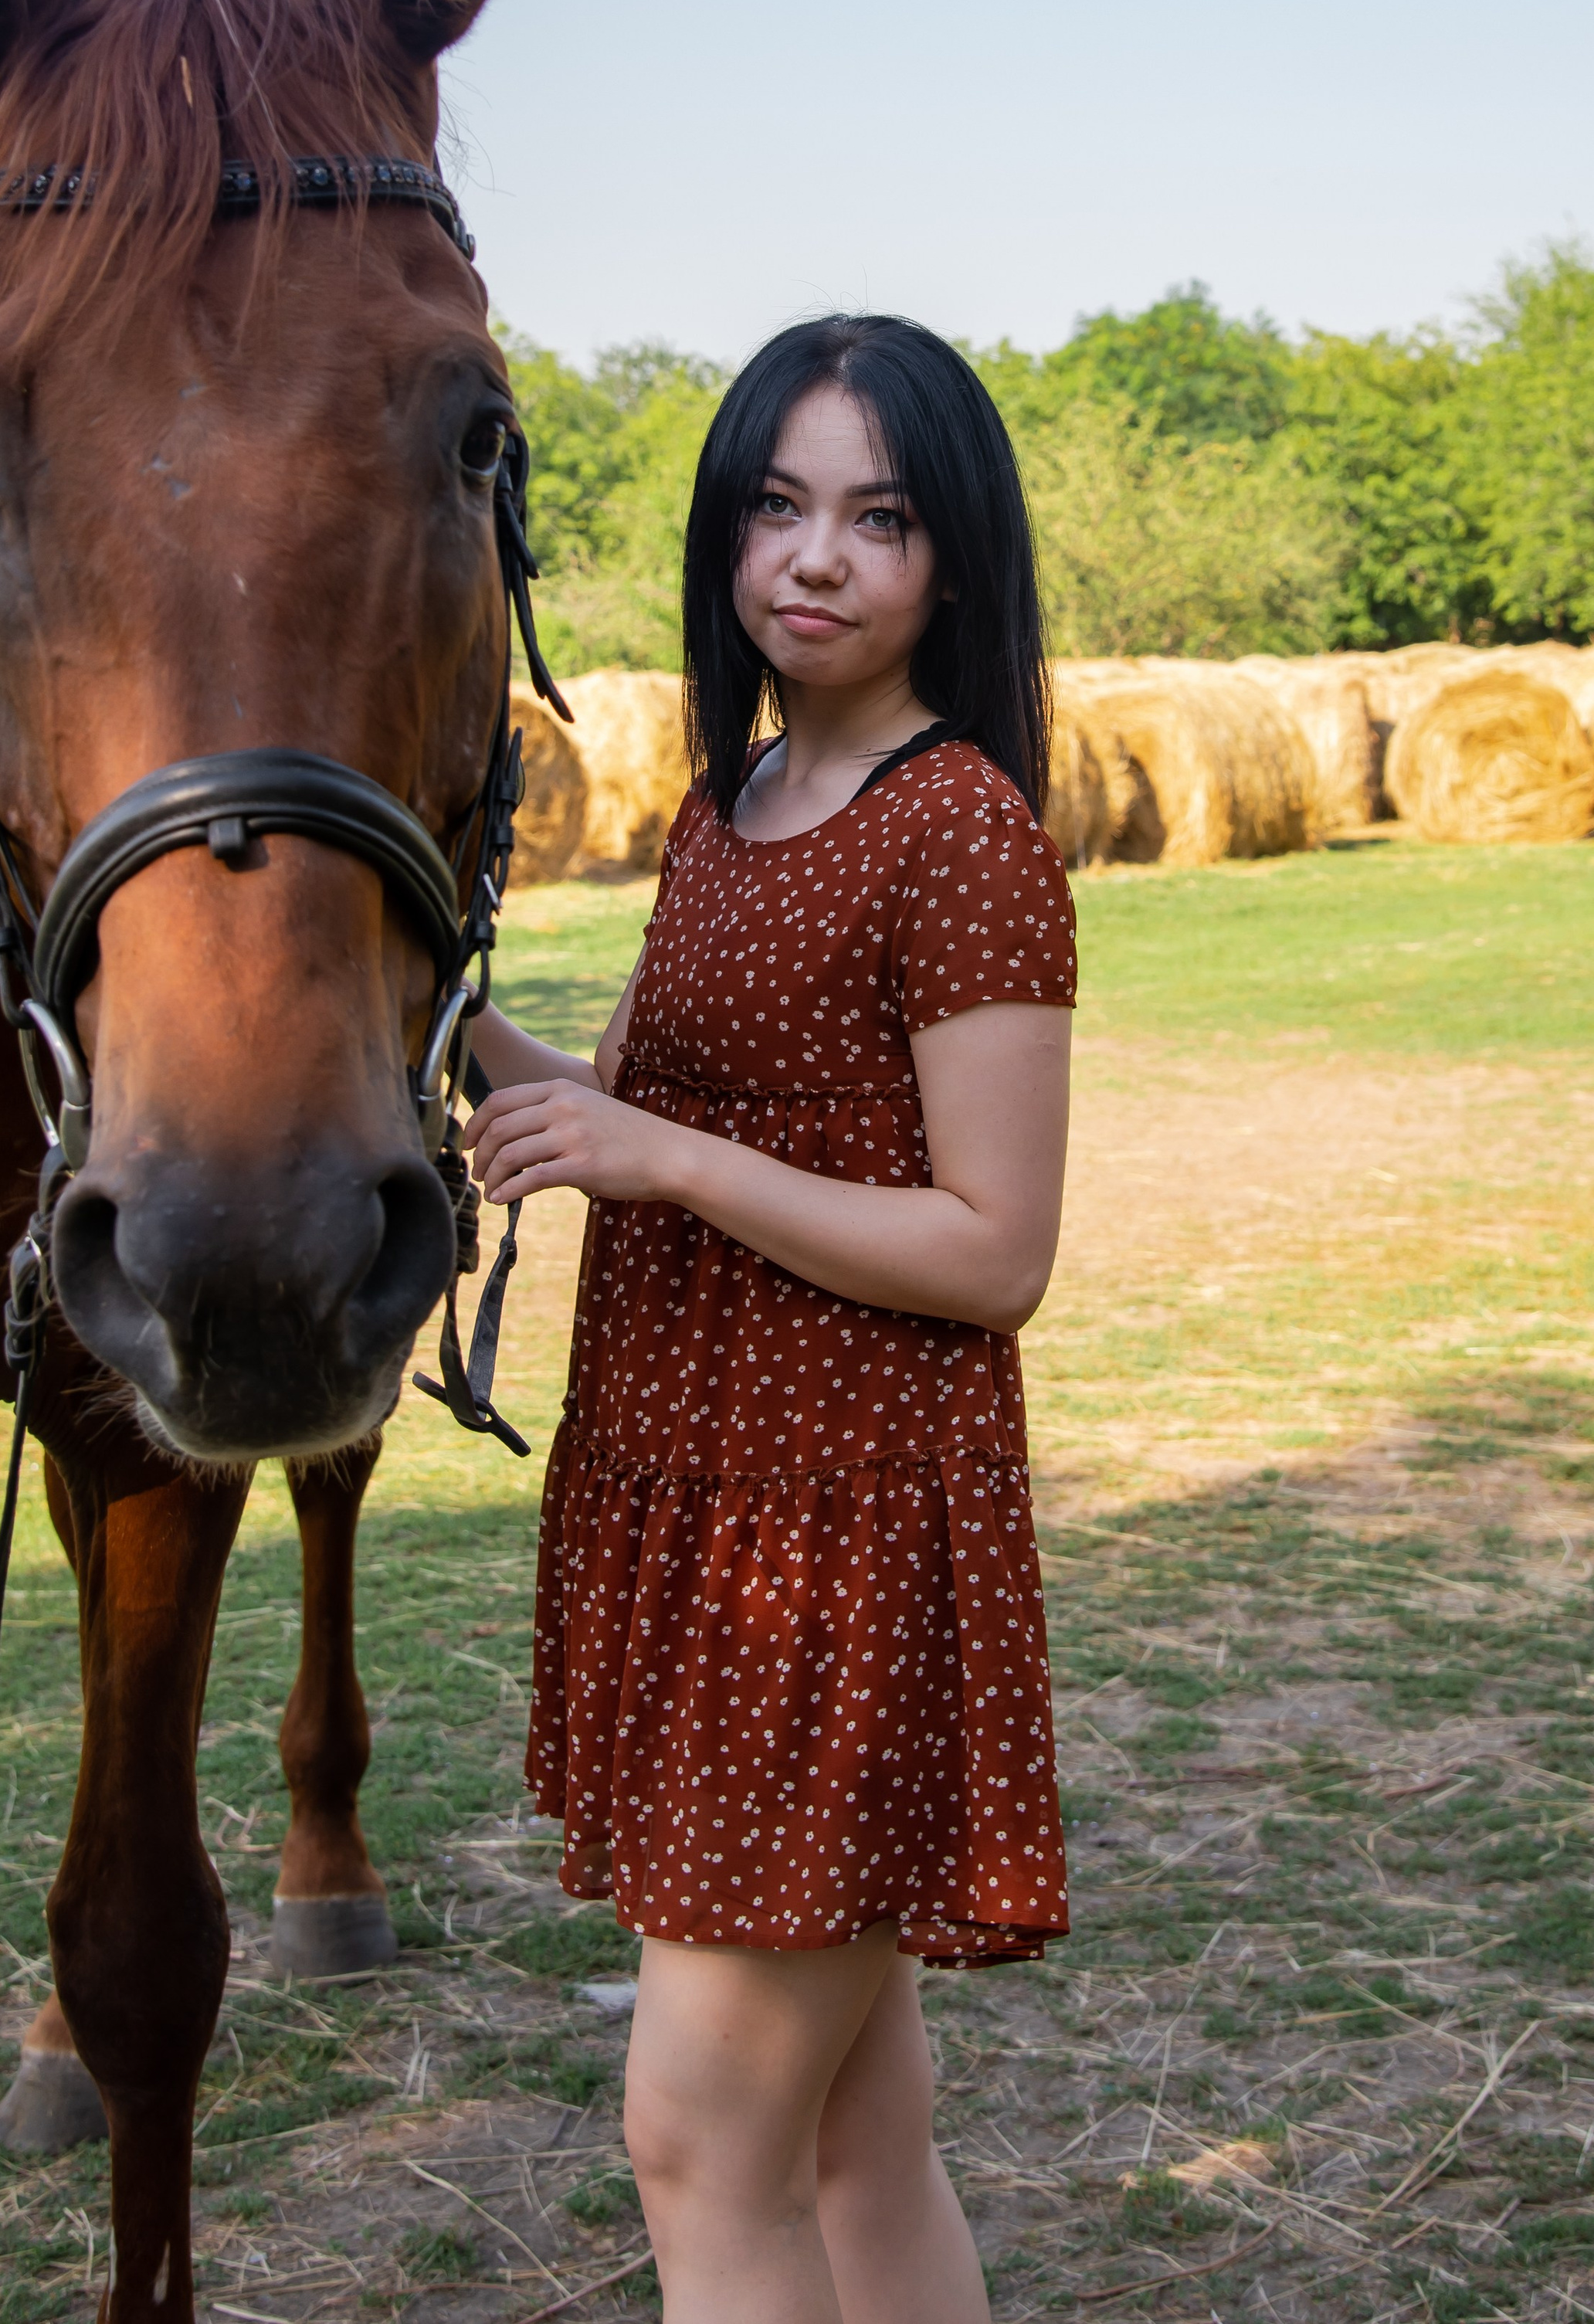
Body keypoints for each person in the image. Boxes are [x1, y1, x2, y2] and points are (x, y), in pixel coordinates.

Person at [466, 313, 1076, 2323]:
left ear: (952, 560)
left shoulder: (959, 824)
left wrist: (681, 1169)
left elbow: (997, 1247)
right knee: (847, 2139)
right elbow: (625, 1110)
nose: (814, 555)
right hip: (697, 1520)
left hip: (838, 1546)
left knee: (698, 2143)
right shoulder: (716, 814)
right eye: (778, 504)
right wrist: (435, 1017)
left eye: (876, 515)